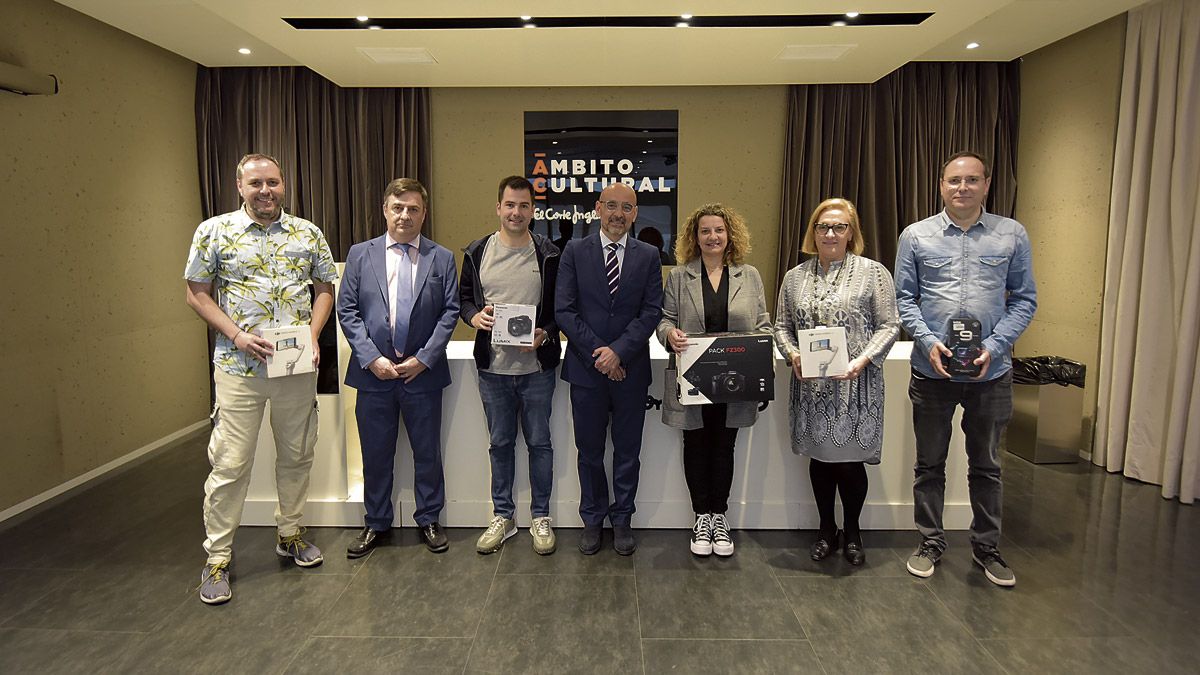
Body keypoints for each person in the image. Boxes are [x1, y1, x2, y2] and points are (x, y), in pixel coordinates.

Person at [184, 153, 338, 605]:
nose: (265, 190)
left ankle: (290, 532)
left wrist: (313, 335)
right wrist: (236, 335)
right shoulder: (214, 231)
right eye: (256, 184)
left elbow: (325, 288)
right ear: (240, 186)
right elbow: (196, 293)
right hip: (238, 369)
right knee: (230, 464)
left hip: (294, 369)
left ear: (284, 184)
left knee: (297, 454)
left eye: (272, 182)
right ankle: (217, 558)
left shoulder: (307, 233)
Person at [895, 151, 1037, 587]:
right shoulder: (916, 236)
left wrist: (994, 348)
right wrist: (928, 340)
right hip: (932, 371)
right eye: (954, 180)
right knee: (929, 464)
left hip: (989, 375)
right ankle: (930, 541)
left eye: (971, 180)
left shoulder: (1011, 235)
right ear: (941, 185)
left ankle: (986, 547)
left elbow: (1024, 299)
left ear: (986, 185)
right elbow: (905, 298)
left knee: (987, 466)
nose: (962, 188)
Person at [337, 178, 460, 557]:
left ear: (424, 213)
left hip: (421, 375)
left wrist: (423, 359)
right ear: (385, 210)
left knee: (427, 453)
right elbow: (347, 310)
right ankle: (376, 522)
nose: (405, 215)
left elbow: (450, 312)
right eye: (398, 207)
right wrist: (371, 358)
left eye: (413, 209)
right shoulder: (360, 254)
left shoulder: (442, 258)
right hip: (373, 376)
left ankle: (429, 519)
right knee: (375, 454)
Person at [774, 198, 899, 567]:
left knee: (849, 461)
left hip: (855, 386)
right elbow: (781, 326)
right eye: (823, 226)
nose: (830, 233)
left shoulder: (874, 273)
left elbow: (890, 324)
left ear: (851, 232)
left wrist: (863, 360)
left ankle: (854, 530)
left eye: (839, 227)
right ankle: (826, 528)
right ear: (813, 232)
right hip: (811, 388)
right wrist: (793, 355)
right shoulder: (794, 277)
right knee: (822, 460)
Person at [555, 181, 664, 555]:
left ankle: (622, 520)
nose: (618, 214)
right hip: (587, 372)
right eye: (612, 206)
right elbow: (564, 310)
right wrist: (601, 355)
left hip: (631, 371)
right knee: (588, 451)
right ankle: (592, 519)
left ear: (634, 213)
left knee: (627, 452)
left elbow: (651, 311)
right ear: (598, 208)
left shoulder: (649, 256)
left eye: (627, 208)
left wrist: (618, 352)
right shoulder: (573, 251)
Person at [656, 204, 770, 557]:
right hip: (693, 379)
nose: (712, 237)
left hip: (735, 381)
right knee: (695, 446)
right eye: (705, 231)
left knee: (724, 447)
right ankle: (700, 517)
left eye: (719, 230)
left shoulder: (749, 275)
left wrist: (761, 364)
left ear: (729, 234)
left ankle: (719, 516)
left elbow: (763, 325)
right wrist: (669, 334)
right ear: (695, 237)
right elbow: (663, 321)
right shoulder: (679, 276)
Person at [460, 175, 561, 555]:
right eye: (510, 205)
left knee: (540, 443)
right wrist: (474, 318)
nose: (516, 212)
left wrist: (545, 334)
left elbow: (560, 310)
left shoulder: (550, 253)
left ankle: (540, 517)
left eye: (524, 205)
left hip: (537, 371)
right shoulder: (477, 251)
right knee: (500, 444)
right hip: (493, 370)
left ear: (533, 210)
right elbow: (464, 299)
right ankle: (503, 516)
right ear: (498, 208)